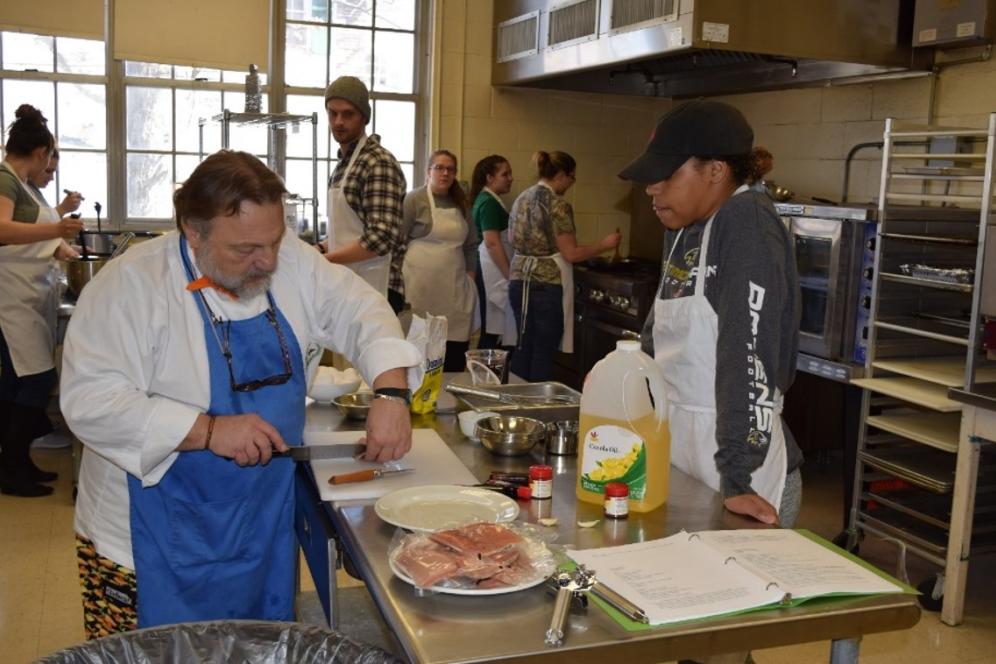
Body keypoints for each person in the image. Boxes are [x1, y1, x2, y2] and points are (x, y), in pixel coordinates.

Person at [60, 150, 421, 638]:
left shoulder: (289, 260)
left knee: (255, 646)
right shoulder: (130, 286)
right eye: (246, 249)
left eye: (273, 241)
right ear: (193, 230)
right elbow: (90, 400)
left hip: (259, 528)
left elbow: (362, 310)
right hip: (147, 538)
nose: (268, 261)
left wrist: (391, 394)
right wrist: (208, 430)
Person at [621, 100, 803, 528]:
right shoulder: (685, 229)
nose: (651, 189)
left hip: (742, 472)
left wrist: (738, 477)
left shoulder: (746, 223)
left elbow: (749, 351)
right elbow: (656, 338)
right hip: (683, 453)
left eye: (666, 175)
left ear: (716, 171)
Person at [0, 105, 84, 497]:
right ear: (38, 153)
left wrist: (57, 234)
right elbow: (1, 229)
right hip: (10, 299)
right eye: (48, 159)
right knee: (36, 381)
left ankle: (16, 464)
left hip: (25, 296)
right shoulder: (5, 178)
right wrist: (57, 228)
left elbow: (28, 229)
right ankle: (12, 467)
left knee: (18, 384)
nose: (49, 167)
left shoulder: (21, 183)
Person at [508, 150, 619, 381]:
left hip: (519, 280)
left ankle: (514, 409)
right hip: (546, 286)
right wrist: (604, 244)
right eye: (572, 178)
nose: (571, 183)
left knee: (523, 346)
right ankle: (537, 410)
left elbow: (511, 240)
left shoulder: (521, 198)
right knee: (542, 351)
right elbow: (571, 253)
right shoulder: (558, 205)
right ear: (561, 175)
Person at [321, 75, 406, 306]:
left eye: (348, 114)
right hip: (349, 284)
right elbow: (350, 232)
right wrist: (319, 249)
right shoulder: (344, 164)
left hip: (376, 287)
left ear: (364, 118)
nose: (338, 121)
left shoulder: (378, 162)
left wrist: (326, 260)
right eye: (332, 113)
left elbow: (380, 237)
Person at [400, 150, 478, 372]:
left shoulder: (462, 204)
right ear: (428, 171)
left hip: (454, 291)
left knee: (451, 353)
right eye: (439, 168)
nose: (445, 173)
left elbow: (471, 245)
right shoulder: (414, 199)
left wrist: (470, 278)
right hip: (419, 290)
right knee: (419, 352)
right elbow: (398, 241)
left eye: (450, 169)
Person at [470, 154, 516, 350]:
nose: (510, 178)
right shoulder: (489, 202)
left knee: (492, 328)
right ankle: (486, 376)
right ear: (489, 177)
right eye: (505, 174)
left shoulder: (488, 199)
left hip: (489, 266)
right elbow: (492, 243)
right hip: (492, 269)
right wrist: (510, 276)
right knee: (492, 328)